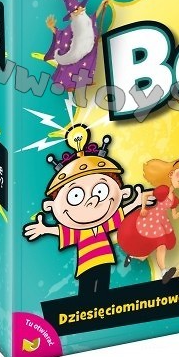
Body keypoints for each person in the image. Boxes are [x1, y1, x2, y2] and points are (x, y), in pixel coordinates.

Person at [23, 125, 149, 296]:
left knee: (102, 290)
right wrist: (44, 229)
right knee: (86, 292)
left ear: (123, 193)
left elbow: (122, 213)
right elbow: (62, 232)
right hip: (86, 265)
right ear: (51, 206)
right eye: (75, 196)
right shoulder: (79, 231)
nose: (92, 201)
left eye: (100, 191)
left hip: (105, 260)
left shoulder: (104, 225)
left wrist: (136, 203)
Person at [118, 156, 179, 283]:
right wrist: (143, 208)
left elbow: (175, 216)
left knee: (160, 245)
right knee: (147, 252)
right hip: (151, 217)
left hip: (162, 222)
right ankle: (133, 256)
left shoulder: (175, 199)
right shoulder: (163, 190)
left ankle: (163, 272)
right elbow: (145, 194)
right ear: (171, 174)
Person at [42, 0, 109, 91]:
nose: (80, 11)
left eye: (80, 8)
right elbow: (62, 35)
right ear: (72, 15)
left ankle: (86, 80)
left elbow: (96, 14)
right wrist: (52, 28)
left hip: (90, 48)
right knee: (73, 67)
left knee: (89, 63)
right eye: (76, 10)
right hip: (76, 51)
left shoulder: (88, 20)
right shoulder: (74, 26)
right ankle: (69, 84)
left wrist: (103, 3)